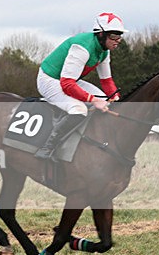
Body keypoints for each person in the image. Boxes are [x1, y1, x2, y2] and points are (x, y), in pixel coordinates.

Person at [33, 12, 127, 160]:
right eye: (114, 36)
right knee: (79, 109)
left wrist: (117, 100)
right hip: (49, 80)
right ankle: (47, 147)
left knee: (106, 99)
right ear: (101, 34)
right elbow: (67, 84)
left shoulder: (104, 51)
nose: (118, 40)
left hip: (69, 80)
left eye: (120, 36)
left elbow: (106, 81)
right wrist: (93, 100)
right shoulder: (82, 48)